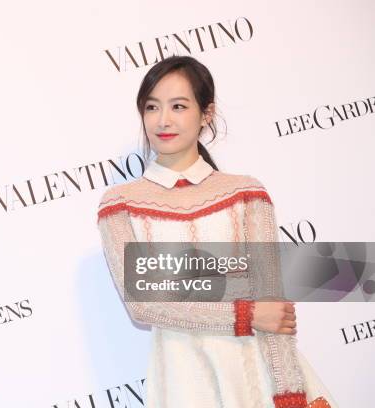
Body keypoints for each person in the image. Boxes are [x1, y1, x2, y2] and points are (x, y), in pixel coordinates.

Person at [96, 56, 337, 408]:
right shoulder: (120, 204)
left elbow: (273, 307)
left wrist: (290, 393)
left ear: (206, 113)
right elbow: (145, 305)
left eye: (178, 106)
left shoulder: (246, 193)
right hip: (185, 383)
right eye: (152, 107)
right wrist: (246, 313)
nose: (163, 120)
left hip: (257, 373)